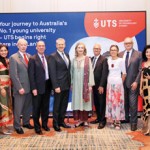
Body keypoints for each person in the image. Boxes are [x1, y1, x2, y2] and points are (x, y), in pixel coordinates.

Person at [9, 38, 33, 134]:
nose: (23, 46)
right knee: (18, 109)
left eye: (25, 45)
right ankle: (17, 126)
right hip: (20, 89)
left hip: (30, 87)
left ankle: (26, 122)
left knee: (27, 107)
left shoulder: (29, 56)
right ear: (17, 45)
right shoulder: (13, 57)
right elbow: (13, 75)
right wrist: (19, 87)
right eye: (21, 45)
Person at [28, 41, 51, 135]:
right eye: (39, 46)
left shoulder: (48, 57)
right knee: (36, 108)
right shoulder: (32, 59)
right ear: (36, 47)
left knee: (45, 108)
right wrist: (33, 88)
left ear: (45, 47)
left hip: (47, 86)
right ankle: (37, 127)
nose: (41, 47)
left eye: (43, 46)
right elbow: (31, 75)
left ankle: (44, 125)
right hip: (37, 88)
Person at [119, 37, 142, 131]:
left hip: (133, 83)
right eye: (126, 43)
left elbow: (140, 70)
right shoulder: (120, 54)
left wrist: (136, 81)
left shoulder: (139, 54)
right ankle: (126, 118)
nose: (127, 44)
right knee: (124, 103)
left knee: (133, 104)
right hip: (122, 83)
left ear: (132, 43)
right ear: (124, 44)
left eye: (129, 43)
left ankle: (134, 123)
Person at [48, 38, 71, 132]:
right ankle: (55, 124)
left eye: (62, 44)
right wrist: (55, 86)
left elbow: (67, 70)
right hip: (58, 86)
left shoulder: (67, 55)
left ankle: (61, 121)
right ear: (56, 45)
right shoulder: (52, 56)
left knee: (64, 105)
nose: (61, 46)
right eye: (59, 44)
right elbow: (52, 73)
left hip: (66, 85)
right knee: (57, 106)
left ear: (65, 45)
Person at [71, 42, 95, 127]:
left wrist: (90, 84)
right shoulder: (73, 60)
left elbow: (91, 72)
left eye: (82, 48)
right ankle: (78, 120)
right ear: (76, 49)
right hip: (76, 85)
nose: (80, 49)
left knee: (85, 102)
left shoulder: (87, 59)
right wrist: (71, 83)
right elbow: (71, 72)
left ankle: (84, 120)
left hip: (85, 85)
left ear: (84, 49)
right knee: (77, 101)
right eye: (79, 47)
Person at [105, 45, 126, 129]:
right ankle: (112, 120)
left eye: (115, 50)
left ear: (117, 51)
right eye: (111, 50)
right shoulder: (108, 60)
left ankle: (118, 121)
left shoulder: (121, 60)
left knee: (117, 103)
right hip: (109, 84)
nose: (113, 51)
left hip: (118, 84)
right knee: (110, 103)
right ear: (110, 51)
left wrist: (121, 83)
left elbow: (124, 73)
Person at [90, 44, 108, 129]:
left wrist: (101, 85)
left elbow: (104, 74)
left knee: (101, 103)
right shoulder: (91, 59)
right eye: (95, 48)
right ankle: (98, 118)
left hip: (100, 86)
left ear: (100, 50)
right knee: (96, 102)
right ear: (93, 50)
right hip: (93, 85)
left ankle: (102, 121)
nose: (96, 50)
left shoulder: (104, 59)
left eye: (98, 48)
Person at [0, 44, 13, 135]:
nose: (4, 52)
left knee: (7, 107)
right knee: (2, 108)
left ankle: (5, 126)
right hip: (1, 88)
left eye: (5, 50)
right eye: (1, 51)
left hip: (8, 87)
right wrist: (1, 88)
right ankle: (2, 128)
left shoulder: (8, 61)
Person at [140, 45, 150, 136]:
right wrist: (140, 88)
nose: (148, 54)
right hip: (145, 88)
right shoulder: (143, 63)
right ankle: (147, 128)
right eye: (147, 52)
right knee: (146, 108)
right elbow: (141, 77)